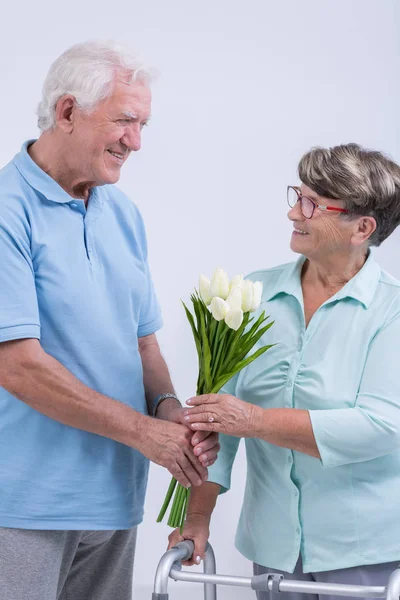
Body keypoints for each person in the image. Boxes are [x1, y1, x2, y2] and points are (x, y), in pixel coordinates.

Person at [0, 40, 219, 600]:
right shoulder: (7, 211)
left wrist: (169, 411)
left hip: (115, 499)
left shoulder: (122, 213)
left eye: (143, 124)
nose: (136, 141)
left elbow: (143, 344)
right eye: (124, 120)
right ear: (67, 112)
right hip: (22, 504)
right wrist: (145, 433)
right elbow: (18, 367)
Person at [169, 143, 400, 600]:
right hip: (271, 547)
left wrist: (254, 420)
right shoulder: (254, 293)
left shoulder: (391, 310)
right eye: (297, 195)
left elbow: (380, 426)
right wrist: (196, 518)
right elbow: (217, 426)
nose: (295, 213)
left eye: (312, 204)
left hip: (362, 551)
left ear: (363, 228)